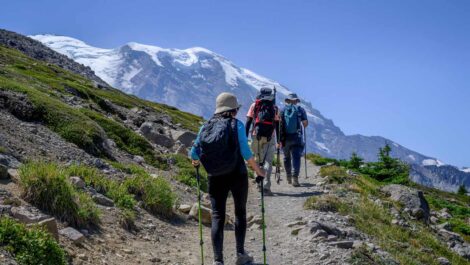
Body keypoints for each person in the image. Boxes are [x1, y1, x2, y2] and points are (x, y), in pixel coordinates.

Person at [190, 92, 266, 265]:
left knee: (217, 216)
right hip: (237, 174)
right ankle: (240, 254)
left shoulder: (205, 127)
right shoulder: (236, 125)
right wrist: (258, 171)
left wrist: (196, 162)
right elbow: (246, 153)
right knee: (240, 213)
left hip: (215, 177)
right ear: (234, 110)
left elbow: (193, 153)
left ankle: (218, 260)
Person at [245, 88, 280, 196]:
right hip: (270, 136)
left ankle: (258, 182)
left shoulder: (254, 105)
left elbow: (248, 122)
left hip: (256, 136)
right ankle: (266, 187)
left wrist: (245, 137)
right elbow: (278, 125)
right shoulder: (275, 108)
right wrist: (279, 140)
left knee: (258, 160)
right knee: (268, 161)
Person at [280, 93, 308, 187]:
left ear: (288, 100)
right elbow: (305, 123)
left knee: (286, 157)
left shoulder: (283, 110)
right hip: (296, 137)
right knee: (296, 157)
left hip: (285, 138)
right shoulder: (300, 110)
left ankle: (288, 176)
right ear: (296, 100)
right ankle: (295, 177)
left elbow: (279, 124)